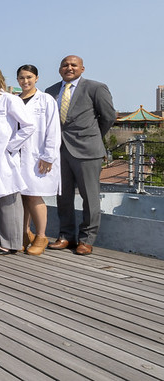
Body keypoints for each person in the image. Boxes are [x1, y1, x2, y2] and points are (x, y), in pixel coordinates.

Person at [45, 55, 115, 255]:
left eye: (73, 65)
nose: (69, 68)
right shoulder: (50, 91)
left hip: (87, 151)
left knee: (90, 197)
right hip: (60, 151)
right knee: (63, 196)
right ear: (59, 69)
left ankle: (87, 239)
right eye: (65, 65)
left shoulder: (95, 88)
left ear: (82, 68)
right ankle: (66, 236)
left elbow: (108, 117)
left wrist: (93, 138)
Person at [0, 65, 34, 255]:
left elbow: (28, 126)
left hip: (4, 157)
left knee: (8, 199)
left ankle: (12, 242)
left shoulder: (9, 99)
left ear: (0, 78)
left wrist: (11, 146)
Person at [16, 64, 61, 256]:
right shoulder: (15, 100)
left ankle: (41, 236)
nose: (25, 81)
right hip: (17, 156)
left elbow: (53, 129)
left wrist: (48, 155)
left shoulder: (46, 100)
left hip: (38, 156)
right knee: (21, 196)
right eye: (21, 78)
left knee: (34, 194)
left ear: (36, 78)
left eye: (29, 77)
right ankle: (25, 233)